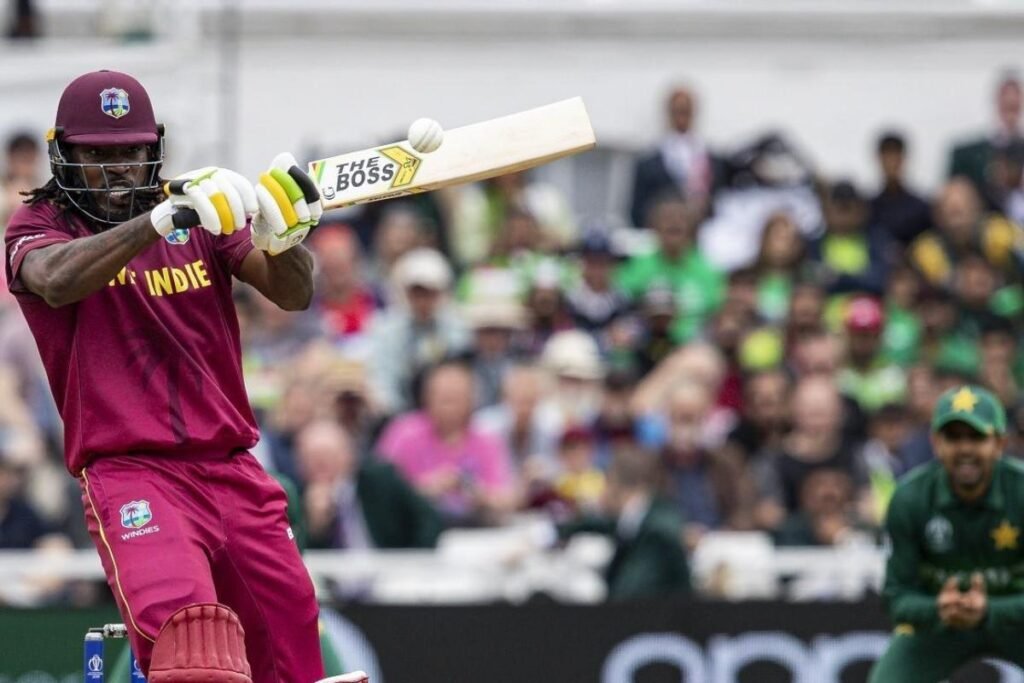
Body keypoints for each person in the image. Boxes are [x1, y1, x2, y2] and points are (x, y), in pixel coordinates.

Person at [3, 70, 364, 683]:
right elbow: (57, 280)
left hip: (231, 468)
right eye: (97, 155)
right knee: (190, 638)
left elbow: (293, 293)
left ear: (154, 148)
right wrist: (160, 221)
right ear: (63, 153)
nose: (117, 169)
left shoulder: (202, 208)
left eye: (130, 153)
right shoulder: (39, 225)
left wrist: (287, 239)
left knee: (295, 643)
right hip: (131, 471)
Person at [869, 385, 1024, 682]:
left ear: (1000, 443)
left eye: (976, 437)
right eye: (953, 437)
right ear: (936, 443)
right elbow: (896, 597)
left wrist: (990, 610)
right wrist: (937, 608)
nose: (964, 449)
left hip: (1016, 621)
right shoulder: (910, 498)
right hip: (941, 624)